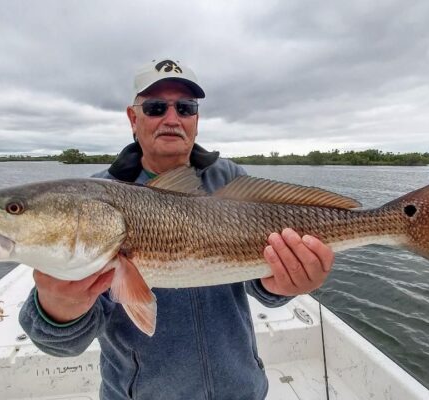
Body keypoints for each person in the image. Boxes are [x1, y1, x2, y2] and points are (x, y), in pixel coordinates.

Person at [19, 59, 334, 400]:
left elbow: (261, 283)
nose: (172, 119)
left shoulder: (230, 180)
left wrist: (285, 284)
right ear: (132, 118)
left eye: (185, 108)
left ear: (196, 120)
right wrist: (57, 308)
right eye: (155, 107)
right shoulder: (93, 201)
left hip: (242, 391)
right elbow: (62, 345)